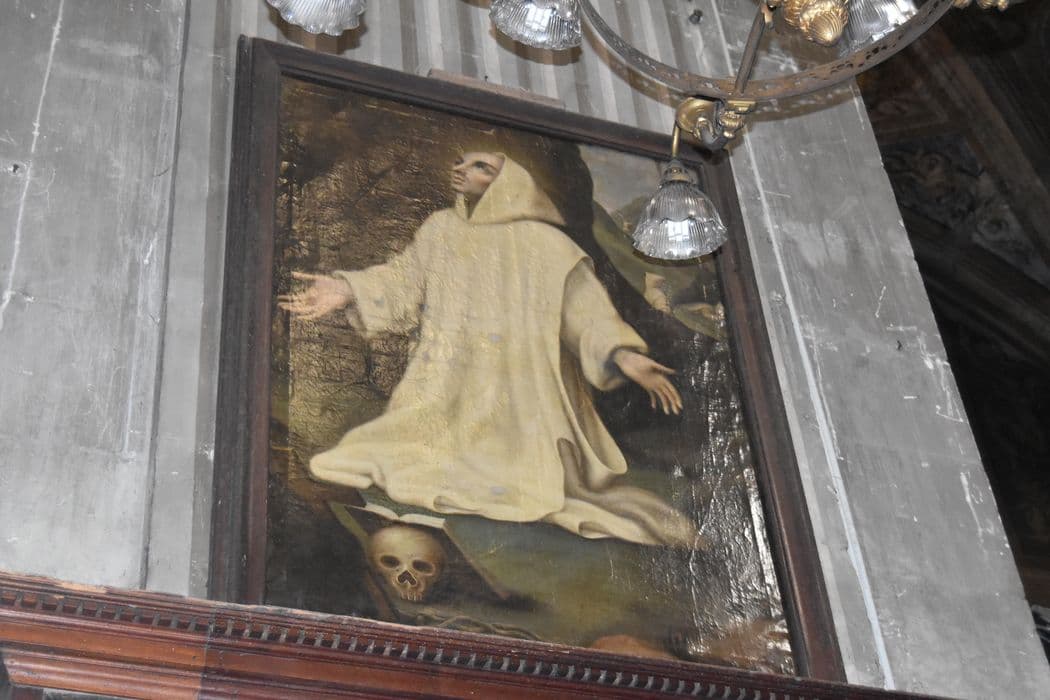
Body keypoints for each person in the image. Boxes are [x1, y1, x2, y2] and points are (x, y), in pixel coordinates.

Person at [280, 150, 698, 547]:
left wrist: (624, 355)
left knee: (520, 481)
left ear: (509, 182)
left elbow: (586, 314)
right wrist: (347, 289)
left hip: (522, 393)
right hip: (446, 386)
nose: (461, 170)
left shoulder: (547, 243)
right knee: (377, 456)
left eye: (480, 166)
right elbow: (402, 282)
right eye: (460, 163)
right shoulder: (441, 229)